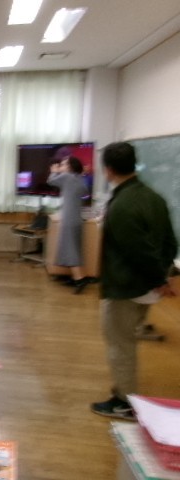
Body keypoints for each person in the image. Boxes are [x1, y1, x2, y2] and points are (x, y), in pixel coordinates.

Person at [91, 142, 178, 419]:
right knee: (126, 339)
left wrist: (159, 279)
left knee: (120, 344)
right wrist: (163, 276)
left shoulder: (122, 205)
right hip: (147, 286)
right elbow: (170, 243)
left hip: (127, 287)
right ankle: (124, 396)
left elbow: (138, 251)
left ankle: (124, 402)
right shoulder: (153, 197)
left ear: (108, 170)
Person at [47, 157, 89, 293]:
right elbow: (84, 192)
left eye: (63, 164)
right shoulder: (80, 178)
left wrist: (54, 171)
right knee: (74, 249)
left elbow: (51, 181)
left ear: (70, 167)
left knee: (70, 250)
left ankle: (79, 279)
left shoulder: (66, 177)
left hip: (68, 219)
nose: (61, 166)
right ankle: (75, 277)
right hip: (76, 219)